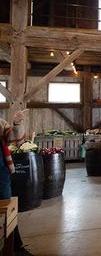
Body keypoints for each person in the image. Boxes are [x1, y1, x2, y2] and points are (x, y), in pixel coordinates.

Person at [0, 109, 33, 256]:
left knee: (8, 210)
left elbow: (14, 139)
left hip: (0, 173)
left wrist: (17, 123)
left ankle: (14, 247)